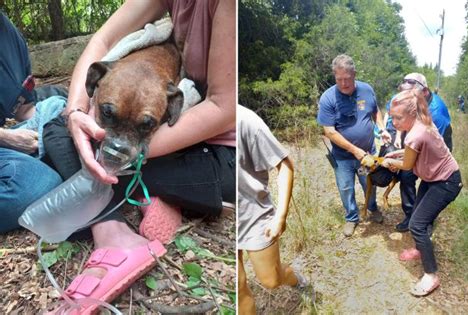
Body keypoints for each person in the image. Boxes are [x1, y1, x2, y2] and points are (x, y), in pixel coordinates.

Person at [43, 1, 235, 313]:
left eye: (146, 125)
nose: (117, 140)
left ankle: (121, 215)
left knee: (90, 160)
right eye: (108, 114)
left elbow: (223, 108)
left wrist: (132, 154)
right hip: (170, 144)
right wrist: (78, 110)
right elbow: (102, 41)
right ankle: (125, 218)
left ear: (173, 107)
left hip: (219, 152)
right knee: (59, 129)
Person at [381, 89, 462, 296]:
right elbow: (413, 152)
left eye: (398, 118)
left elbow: (407, 166)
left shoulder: (415, 134)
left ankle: (431, 275)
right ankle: (420, 249)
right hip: (432, 177)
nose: (394, 122)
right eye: (392, 116)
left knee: (416, 224)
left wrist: (389, 161)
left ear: (412, 114)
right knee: (419, 215)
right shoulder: (423, 122)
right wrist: (397, 152)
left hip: (446, 182)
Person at [237, 105, 308, 314]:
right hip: (228, 212)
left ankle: (291, 276)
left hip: (254, 215)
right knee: (239, 286)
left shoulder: (247, 121)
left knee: (271, 280)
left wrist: (280, 216)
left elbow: (285, 165)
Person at [0, 11, 62, 233]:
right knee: (39, 184)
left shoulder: (9, 34)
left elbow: (23, 109)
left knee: (57, 103)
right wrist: (7, 138)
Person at [317, 54, 391, 237]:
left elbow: (375, 112)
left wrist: (381, 128)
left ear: (354, 74)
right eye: (339, 79)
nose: (343, 83)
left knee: (369, 183)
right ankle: (352, 217)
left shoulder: (367, 90)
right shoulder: (328, 98)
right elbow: (329, 131)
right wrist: (355, 151)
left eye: (347, 79)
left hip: (368, 153)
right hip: (343, 158)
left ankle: (372, 208)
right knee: (345, 187)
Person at [384, 73, 453, 232]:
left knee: (430, 180)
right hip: (414, 140)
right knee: (406, 176)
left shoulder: (437, 113)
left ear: (425, 92)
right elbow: (398, 117)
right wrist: (400, 138)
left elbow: (432, 148)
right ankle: (410, 216)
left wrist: (401, 162)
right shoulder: (406, 99)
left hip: (436, 149)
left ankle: (425, 223)